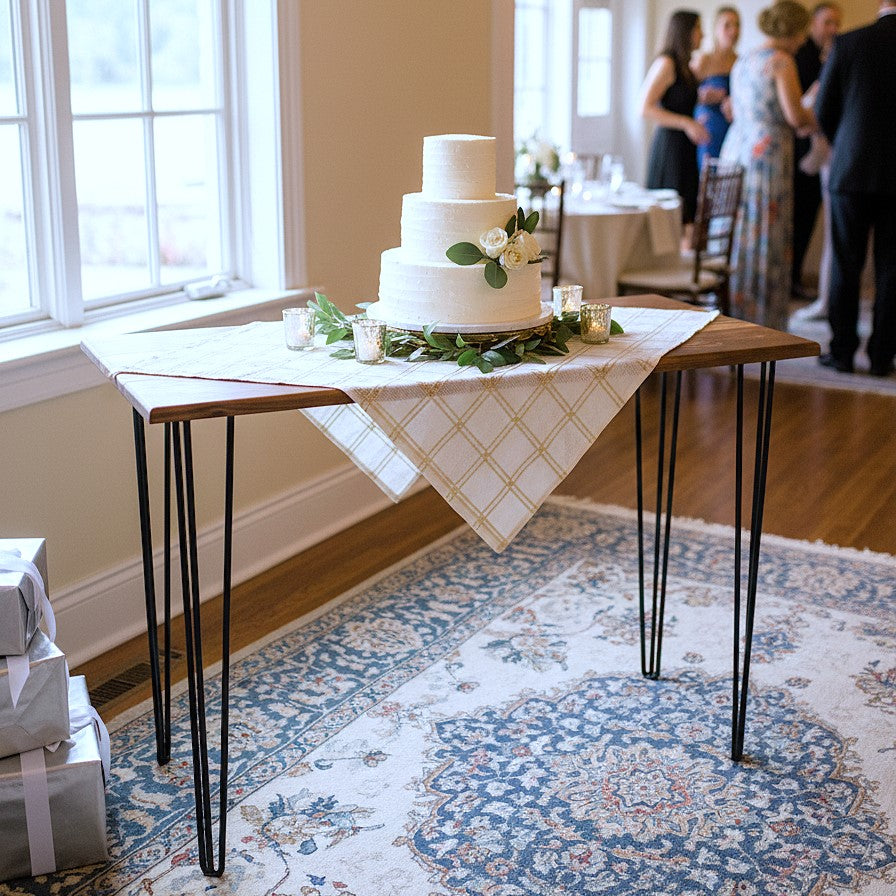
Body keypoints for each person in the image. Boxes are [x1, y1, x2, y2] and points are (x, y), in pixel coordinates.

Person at [719, 1, 815, 331]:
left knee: (742, 229)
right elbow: (795, 117)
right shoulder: (781, 62)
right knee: (765, 230)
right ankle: (762, 317)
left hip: (738, 148)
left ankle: (735, 307)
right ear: (793, 30)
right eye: (802, 30)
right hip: (767, 155)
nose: (804, 39)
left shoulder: (745, 59)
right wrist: (813, 105)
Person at [815, 0, 896, 377]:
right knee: (892, 268)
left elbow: (823, 111)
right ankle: (882, 355)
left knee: (846, 264)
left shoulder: (848, 43)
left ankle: (842, 352)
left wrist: (847, 144)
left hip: (852, 169)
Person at [641, 10, 711, 245]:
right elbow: (645, 108)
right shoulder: (666, 62)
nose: (703, 34)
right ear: (686, 32)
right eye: (698, 29)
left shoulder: (686, 66)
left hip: (686, 149)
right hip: (670, 148)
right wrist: (686, 122)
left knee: (688, 212)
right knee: (674, 215)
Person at [792, 2, 842, 300]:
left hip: (821, 146)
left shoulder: (832, 52)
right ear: (814, 22)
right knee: (799, 215)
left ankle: (797, 276)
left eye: (837, 23)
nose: (833, 29)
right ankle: (792, 277)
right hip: (801, 146)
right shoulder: (802, 55)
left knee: (809, 215)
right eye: (828, 22)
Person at [692, 6, 741, 170]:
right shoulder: (703, 60)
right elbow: (685, 95)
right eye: (727, 25)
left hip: (734, 129)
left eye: (737, 25)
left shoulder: (742, 62)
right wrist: (701, 96)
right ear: (716, 29)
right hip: (709, 131)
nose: (733, 31)